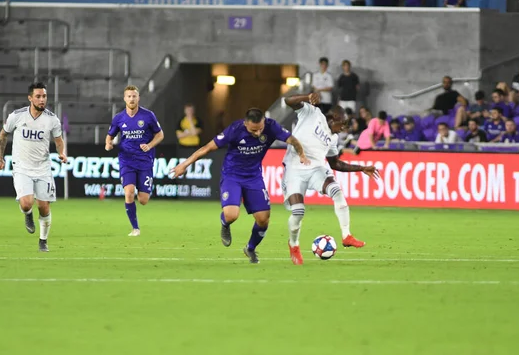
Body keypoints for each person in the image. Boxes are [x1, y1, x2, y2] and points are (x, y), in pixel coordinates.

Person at [170, 109, 308, 264]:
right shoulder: (234, 130)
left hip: (254, 177)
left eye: (260, 129)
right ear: (245, 123)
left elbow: (292, 140)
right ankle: (225, 223)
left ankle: (250, 248)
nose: (257, 133)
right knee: (231, 215)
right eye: (253, 130)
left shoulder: (271, 126)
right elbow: (207, 148)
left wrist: (301, 154)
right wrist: (184, 164)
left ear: (264, 121)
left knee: (263, 219)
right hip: (232, 176)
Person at [281, 93, 379, 265]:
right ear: (333, 119)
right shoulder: (312, 113)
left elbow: (335, 164)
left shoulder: (333, 139)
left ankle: (346, 235)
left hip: (316, 170)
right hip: (294, 170)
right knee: (298, 212)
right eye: (343, 124)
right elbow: (288, 100)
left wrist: (361, 168)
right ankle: (294, 244)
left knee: (337, 191)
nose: (343, 128)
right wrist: (308, 96)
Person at [0, 82, 67, 252]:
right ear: (30, 98)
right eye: (38, 96)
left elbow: (58, 140)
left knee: (44, 206)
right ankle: (27, 215)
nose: (42, 100)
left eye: (44, 96)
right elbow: (3, 135)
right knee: (27, 203)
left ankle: (43, 240)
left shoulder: (52, 119)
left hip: (43, 168)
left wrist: (61, 153)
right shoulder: (17, 116)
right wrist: (0, 158)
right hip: (21, 167)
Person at [105, 85, 164, 237]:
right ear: (125, 98)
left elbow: (160, 135)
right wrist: (108, 143)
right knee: (129, 193)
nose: (132, 99)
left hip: (145, 161)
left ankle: (144, 187)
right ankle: (135, 228)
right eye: (129, 96)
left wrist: (149, 145)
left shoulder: (148, 115)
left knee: (143, 200)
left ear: (138, 98)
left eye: (134, 96)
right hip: (127, 160)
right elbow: (109, 135)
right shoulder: (119, 118)